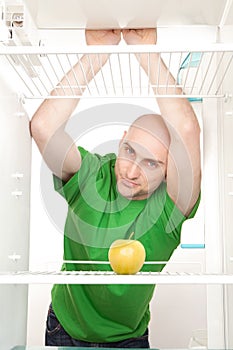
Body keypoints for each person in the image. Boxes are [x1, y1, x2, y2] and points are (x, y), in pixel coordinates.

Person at [30, 28, 201, 348]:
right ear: (121, 141)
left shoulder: (170, 208)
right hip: (64, 326)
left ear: (169, 172)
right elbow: (43, 128)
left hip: (128, 338)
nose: (132, 171)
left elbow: (188, 128)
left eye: (152, 164)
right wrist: (98, 54)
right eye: (130, 151)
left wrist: (147, 52)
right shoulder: (93, 174)